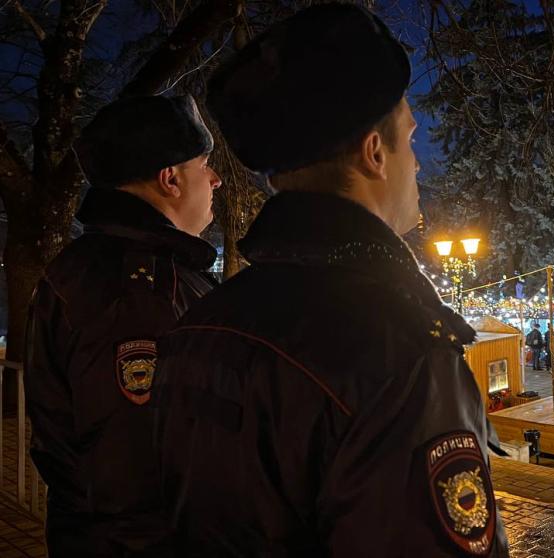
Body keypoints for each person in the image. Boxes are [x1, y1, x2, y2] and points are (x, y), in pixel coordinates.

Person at [152, 5, 509, 556]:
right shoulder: (401, 353)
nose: (417, 166)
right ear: (374, 153)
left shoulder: (203, 321)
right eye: (409, 141)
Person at [24, 95, 221, 556]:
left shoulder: (101, 267)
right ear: (170, 178)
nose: (215, 180)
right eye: (204, 164)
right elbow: (133, 477)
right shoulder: (139, 296)